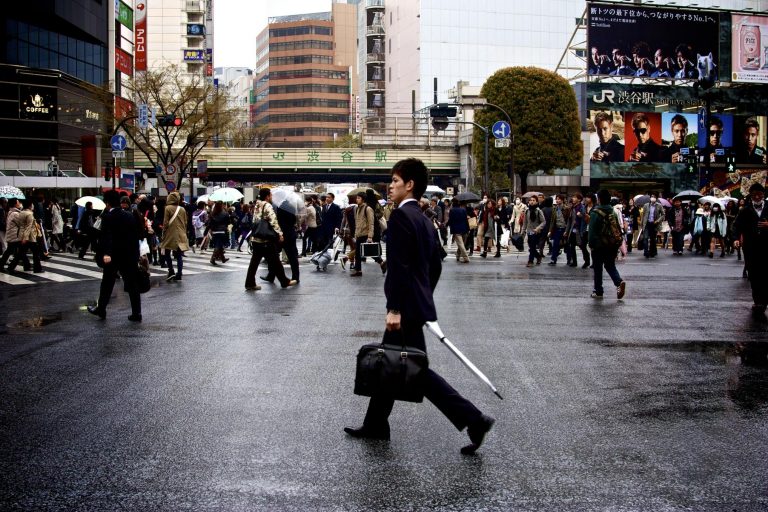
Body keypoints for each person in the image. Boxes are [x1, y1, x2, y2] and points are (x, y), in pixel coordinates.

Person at [344, 158, 495, 454]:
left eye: (395, 181)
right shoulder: (423, 219)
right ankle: (376, 423)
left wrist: (396, 308)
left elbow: (399, 268)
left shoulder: (402, 218)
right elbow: (435, 263)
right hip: (416, 304)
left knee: (414, 369)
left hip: (405, 308)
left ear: (409, 185)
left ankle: (473, 418)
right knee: (393, 362)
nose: (390, 186)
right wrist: (423, 294)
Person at [86, 190, 142, 322]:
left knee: (107, 283)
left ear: (107, 203)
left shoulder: (107, 217)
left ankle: (101, 309)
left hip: (113, 256)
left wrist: (106, 253)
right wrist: (136, 254)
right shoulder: (129, 215)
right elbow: (135, 236)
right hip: (129, 255)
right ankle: (136, 312)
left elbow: (107, 236)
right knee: (132, 284)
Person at [244, 188, 297, 290]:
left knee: (254, 263)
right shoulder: (267, 205)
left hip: (257, 238)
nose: (272, 197)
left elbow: (255, 220)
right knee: (276, 261)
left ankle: (250, 283)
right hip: (266, 239)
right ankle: (284, 282)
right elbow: (273, 221)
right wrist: (280, 234)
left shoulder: (257, 205)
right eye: (271, 195)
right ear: (267, 196)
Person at [733, 183, 768, 317]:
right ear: (751, 196)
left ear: (763, 195)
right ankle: (758, 301)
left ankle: (764, 299)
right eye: (755, 195)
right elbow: (736, 226)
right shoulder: (745, 210)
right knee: (754, 274)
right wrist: (736, 238)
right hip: (751, 248)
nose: (757, 197)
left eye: (760, 194)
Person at [588, 189, 627, 300]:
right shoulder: (613, 211)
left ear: (599, 199)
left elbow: (592, 231)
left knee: (597, 268)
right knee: (610, 265)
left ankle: (598, 291)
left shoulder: (596, 212)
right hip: (612, 243)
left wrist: (591, 244)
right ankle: (619, 282)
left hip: (599, 244)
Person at [160, 191, 189, 282]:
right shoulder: (182, 209)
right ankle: (179, 273)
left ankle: (171, 271)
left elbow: (165, 223)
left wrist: (163, 233)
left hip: (170, 234)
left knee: (167, 253)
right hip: (181, 234)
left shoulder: (167, 208)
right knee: (179, 255)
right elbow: (185, 222)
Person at [350, 191, 377, 277]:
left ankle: (381, 262)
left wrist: (370, 236)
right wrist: (355, 234)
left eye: (358, 198)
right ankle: (358, 270)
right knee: (358, 253)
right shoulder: (357, 208)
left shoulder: (368, 209)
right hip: (359, 234)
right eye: (356, 198)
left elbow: (371, 223)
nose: (356, 199)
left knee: (367, 252)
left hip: (365, 234)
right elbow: (357, 222)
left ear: (363, 199)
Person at [523, 195, 545, 267]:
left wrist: (538, 228)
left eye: (533, 200)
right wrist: (523, 230)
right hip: (529, 231)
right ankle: (538, 256)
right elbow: (525, 222)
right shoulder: (527, 211)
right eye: (530, 200)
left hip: (536, 232)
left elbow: (543, 222)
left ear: (536, 202)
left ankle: (530, 261)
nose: (532, 202)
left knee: (532, 246)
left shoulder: (539, 211)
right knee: (530, 246)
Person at [446, 198, 470, 263]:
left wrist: (446, 225)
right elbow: (466, 220)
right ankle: (458, 255)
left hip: (456, 229)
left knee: (460, 244)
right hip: (464, 228)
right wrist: (468, 229)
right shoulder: (463, 210)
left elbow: (450, 220)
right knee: (462, 244)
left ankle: (465, 258)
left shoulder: (452, 210)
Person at [547, 194, 568, 265]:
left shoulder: (566, 208)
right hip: (557, 228)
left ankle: (569, 259)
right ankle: (553, 259)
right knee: (555, 244)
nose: (557, 200)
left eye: (559, 199)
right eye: (557, 199)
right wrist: (550, 230)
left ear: (562, 200)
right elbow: (552, 221)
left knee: (567, 245)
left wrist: (567, 229)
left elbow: (568, 220)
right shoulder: (554, 208)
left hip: (564, 228)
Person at [207, 201, 230, 265]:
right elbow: (228, 222)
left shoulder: (212, 213)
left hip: (214, 231)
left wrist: (207, 231)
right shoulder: (225, 213)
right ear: (221, 205)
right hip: (222, 231)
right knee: (218, 245)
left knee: (219, 245)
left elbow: (209, 224)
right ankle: (212, 258)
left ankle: (223, 259)